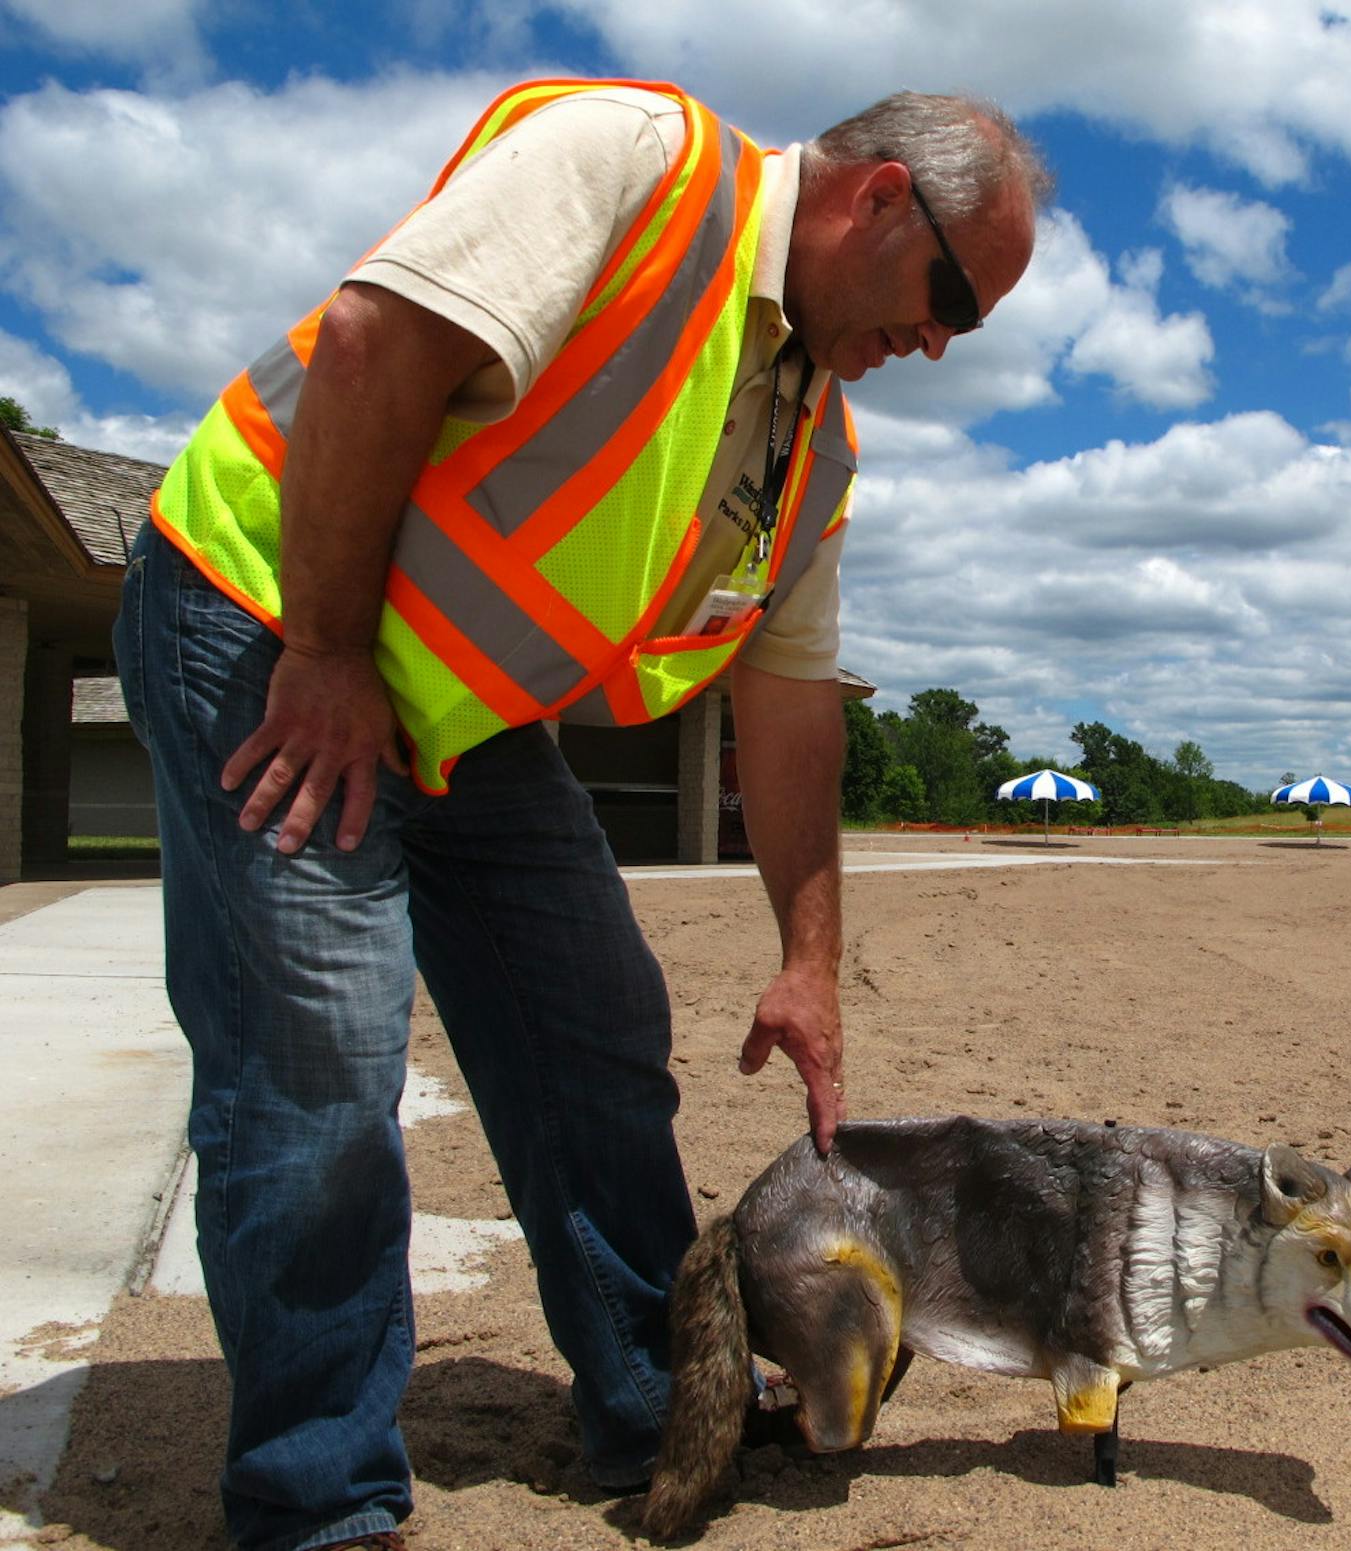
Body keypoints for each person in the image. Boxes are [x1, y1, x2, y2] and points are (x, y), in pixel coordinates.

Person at [113, 78, 1047, 1551]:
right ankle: (320, 1498)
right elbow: (372, 344)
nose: (939, 341)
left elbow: (790, 703)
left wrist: (807, 959)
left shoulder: (817, 447)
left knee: (595, 1024)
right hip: (267, 620)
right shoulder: (639, 166)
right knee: (320, 1066)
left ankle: (654, 1398)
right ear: (875, 196)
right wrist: (331, 654)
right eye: (952, 299)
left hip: (458, 711)